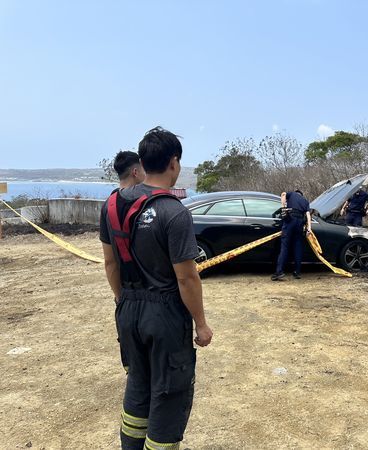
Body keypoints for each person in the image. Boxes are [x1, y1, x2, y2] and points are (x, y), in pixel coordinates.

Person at [100, 127, 213, 450]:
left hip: (127, 309)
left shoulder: (111, 205)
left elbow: (110, 265)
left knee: (138, 381)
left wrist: (124, 301)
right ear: (174, 163)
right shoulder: (173, 212)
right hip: (163, 315)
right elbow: (186, 278)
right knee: (169, 392)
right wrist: (201, 324)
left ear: (143, 163)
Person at [272, 189, 312, 281]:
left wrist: (283, 208)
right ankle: (297, 272)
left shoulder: (292, 194)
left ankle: (279, 272)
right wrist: (309, 228)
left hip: (290, 220)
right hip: (300, 223)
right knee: (298, 247)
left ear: (296, 193)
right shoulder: (305, 201)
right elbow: (308, 215)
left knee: (285, 247)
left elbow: (283, 194)